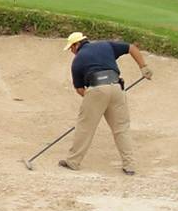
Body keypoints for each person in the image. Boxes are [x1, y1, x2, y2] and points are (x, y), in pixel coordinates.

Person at [58, 31, 152, 175]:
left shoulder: (78, 60)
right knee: (121, 128)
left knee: (85, 127)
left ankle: (73, 161)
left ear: (77, 45)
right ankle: (129, 165)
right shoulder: (106, 45)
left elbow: (79, 89)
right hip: (116, 87)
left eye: (71, 47)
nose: (71, 51)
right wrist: (143, 67)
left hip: (96, 90)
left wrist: (95, 104)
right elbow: (131, 48)